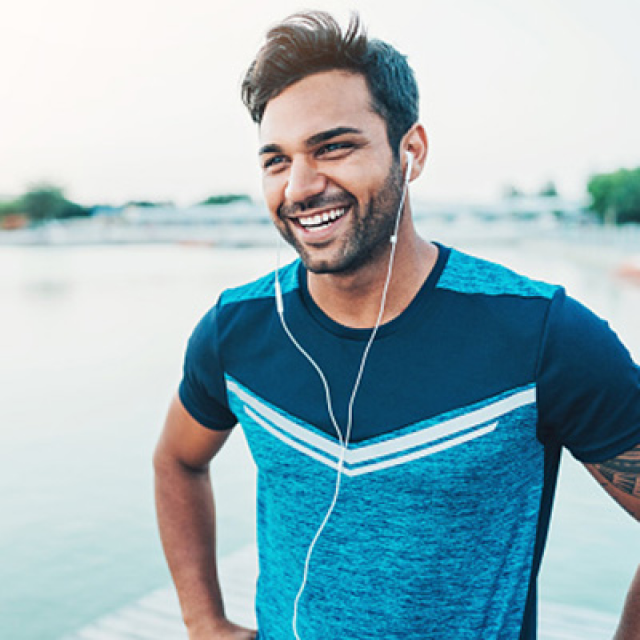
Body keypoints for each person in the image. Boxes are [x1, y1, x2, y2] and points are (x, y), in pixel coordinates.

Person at [153, 11, 640, 640]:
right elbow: (177, 461)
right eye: (276, 160)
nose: (300, 187)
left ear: (411, 151)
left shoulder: (540, 332)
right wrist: (202, 621)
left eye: (334, 146)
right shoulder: (237, 329)